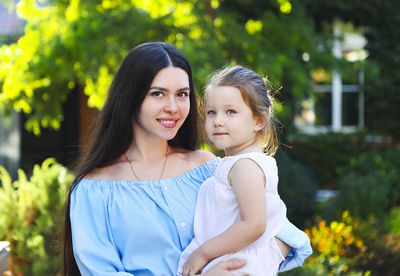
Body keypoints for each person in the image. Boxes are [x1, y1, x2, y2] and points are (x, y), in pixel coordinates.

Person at [62, 42, 312, 276]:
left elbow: (281, 234)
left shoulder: (207, 169)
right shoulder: (93, 191)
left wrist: (242, 268)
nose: (173, 107)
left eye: (182, 94)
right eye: (158, 94)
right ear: (129, 98)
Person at [178, 65, 309, 276]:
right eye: (212, 112)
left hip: (239, 265)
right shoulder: (240, 163)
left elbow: (254, 224)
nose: (218, 121)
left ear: (259, 121)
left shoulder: (244, 166)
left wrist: (203, 252)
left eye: (231, 111)